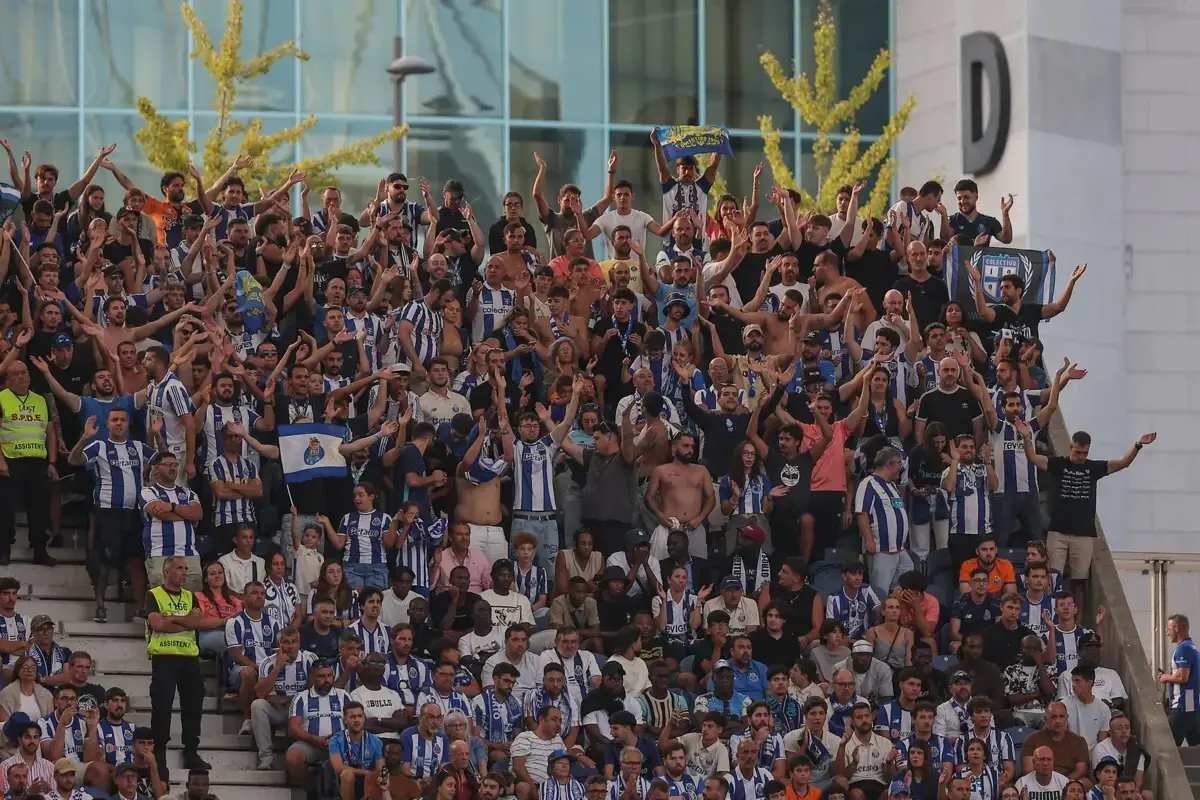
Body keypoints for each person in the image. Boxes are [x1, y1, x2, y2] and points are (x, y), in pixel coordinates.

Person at [1017, 424, 1155, 596]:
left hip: (1083, 533)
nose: (1081, 456)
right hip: (1058, 531)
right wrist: (1025, 437)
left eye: (1085, 453)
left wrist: (1138, 445)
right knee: (1053, 578)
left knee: (1080, 580)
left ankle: (1078, 619)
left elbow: (1122, 463)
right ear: (1071, 447)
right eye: (1078, 452)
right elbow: (1033, 458)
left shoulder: (1093, 468)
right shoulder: (1058, 464)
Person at [143, 556, 209, 777]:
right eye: (179, 568)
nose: (184, 572)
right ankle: (159, 754)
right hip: (164, 658)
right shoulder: (154, 595)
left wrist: (172, 619)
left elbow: (197, 622)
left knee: (193, 706)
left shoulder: (192, 596)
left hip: (189, 659)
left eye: (185, 568)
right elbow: (157, 624)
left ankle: (191, 751)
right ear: (166, 571)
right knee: (161, 707)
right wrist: (184, 620)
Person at [0, 362, 56, 566]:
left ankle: (40, 550)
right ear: (7, 379)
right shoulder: (1, 398)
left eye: (24, 373)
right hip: (10, 462)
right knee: (5, 509)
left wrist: (52, 461)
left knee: (39, 509)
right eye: (15, 374)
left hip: (37, 462)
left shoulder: (40, 400)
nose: (21, 377)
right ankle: (3, 550)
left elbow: (49, 431)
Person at [854, 447, 913, 592]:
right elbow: (862, 513)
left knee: (907, 578)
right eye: (899, 463)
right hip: (882, 549)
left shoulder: (892, 486)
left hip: (899, 549)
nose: (901, 467)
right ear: (889, 464)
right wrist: (868, 539)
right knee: (880, 591)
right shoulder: (867, 484)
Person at [328, 702, 385, 800]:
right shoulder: (336, 739)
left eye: (359, 716)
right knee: (347, 774)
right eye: (352, 717)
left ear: (364, 718)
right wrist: (365, 772)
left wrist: (371, 775)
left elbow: (380, 769)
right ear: (345, 720)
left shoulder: (375, 741)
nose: (357, 720)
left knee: (379, 777)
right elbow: (338, 767)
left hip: (368, 780)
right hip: (343, 781)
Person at [1161, 612, 1200, 745]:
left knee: (1168, 747)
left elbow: (1183, 677)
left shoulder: (1183, 648)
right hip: (1193, 707)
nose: (1168, 633)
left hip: (1182, 706)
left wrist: (1166, 677)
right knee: (1196, 750)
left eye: (1169, 629)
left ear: (1177, 628)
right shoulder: (1193, 648)